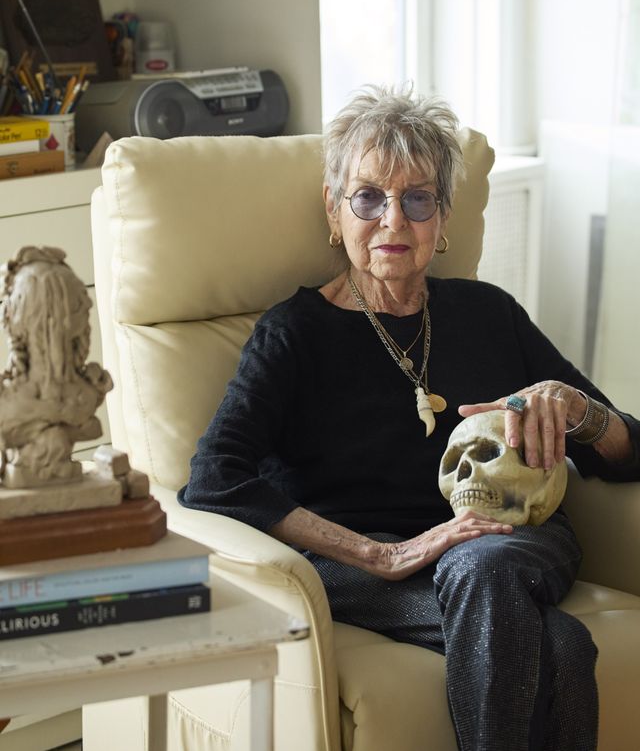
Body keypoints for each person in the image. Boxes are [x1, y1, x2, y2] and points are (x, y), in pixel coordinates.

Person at [179, 85, 640, 751]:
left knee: (480, 566)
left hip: (509, 541)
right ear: (335, 215)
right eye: (368, 197)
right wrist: (381, 552)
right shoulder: (294, 334)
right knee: (558, 645)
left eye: (417, 198)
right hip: (361, 564)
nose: (393, 220)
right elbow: (213, 477)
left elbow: (626, 454)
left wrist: (582, 412)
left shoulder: (488, 313)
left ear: (443, 218)